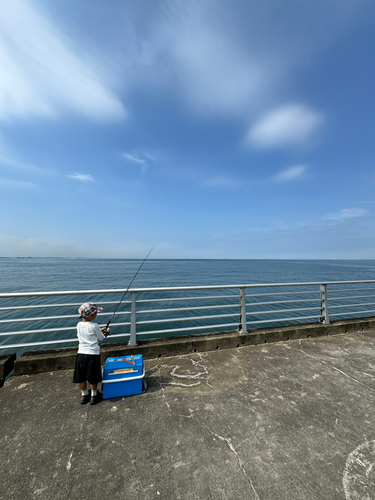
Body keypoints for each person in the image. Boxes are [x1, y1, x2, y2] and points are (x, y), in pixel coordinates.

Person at [73, 302, 108, 405]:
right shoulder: (95, 325)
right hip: (93, 354)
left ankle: (84, 395)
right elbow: (101, 338)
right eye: (95, 313)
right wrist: (103, 332)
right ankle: (93, 396)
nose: (96, 314)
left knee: (82, 377)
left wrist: (98, 331)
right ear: (91, 315)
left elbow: (84, 335)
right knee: (93, 376)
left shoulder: (79, 324)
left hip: (81, 354)